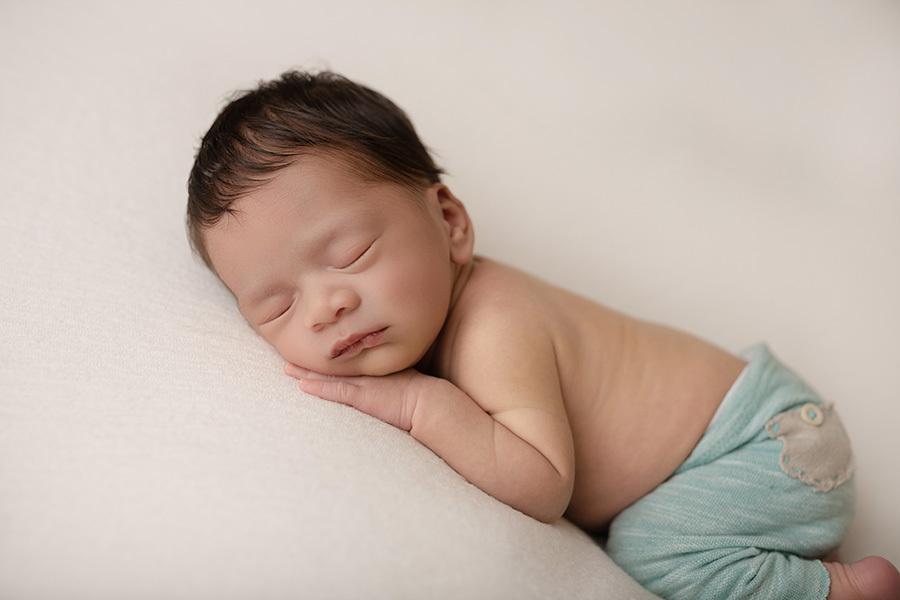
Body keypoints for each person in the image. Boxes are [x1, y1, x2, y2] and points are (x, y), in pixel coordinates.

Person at [186, 70, 900, 600]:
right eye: (276, 307)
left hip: (757, 450)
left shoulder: (495, 324)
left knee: (652, 552)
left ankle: (843, 589)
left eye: (348, 256)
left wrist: (417, 406)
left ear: (451, 224)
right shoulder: (440, 322)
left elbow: (542, 483)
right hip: (754, 440)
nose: (324, 306)